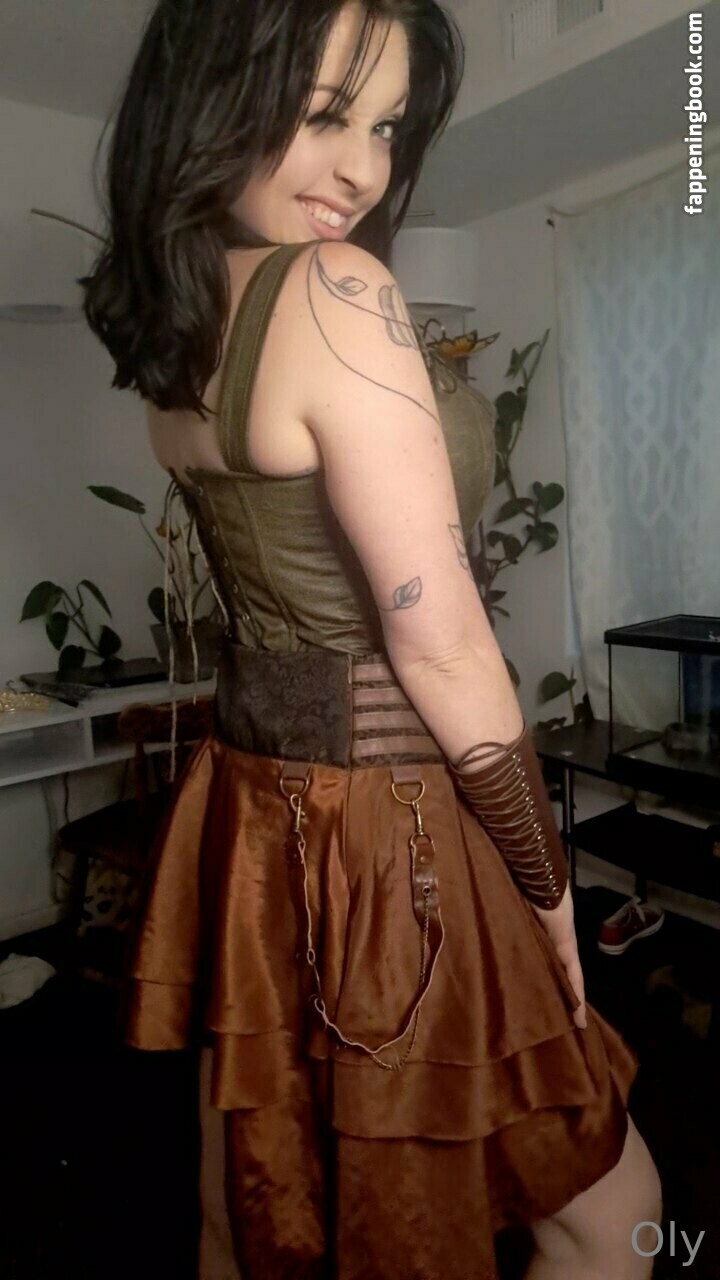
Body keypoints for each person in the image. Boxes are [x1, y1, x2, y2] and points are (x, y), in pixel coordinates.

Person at [82, 1, 662, 1276]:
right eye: (326, 113)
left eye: (388, 127)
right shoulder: (336, 289)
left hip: (258, 805)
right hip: (391, 821)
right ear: (213, 98)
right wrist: (550, 890)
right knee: (614, 1209)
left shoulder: (181, 335)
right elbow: (440, 642)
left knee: (263, 1185)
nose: (363, 168)